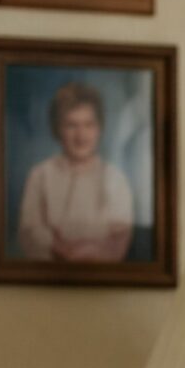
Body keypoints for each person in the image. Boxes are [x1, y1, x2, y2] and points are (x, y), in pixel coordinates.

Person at [14, 81, 136, 264]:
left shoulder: (115, 179)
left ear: (99, 128)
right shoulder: (40, 175)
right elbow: (29, 233)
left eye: (89, 125)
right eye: (71, 125)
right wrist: (58, 248)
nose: (81, 135)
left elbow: (119, 243)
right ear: (57, 129)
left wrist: (87, 251)